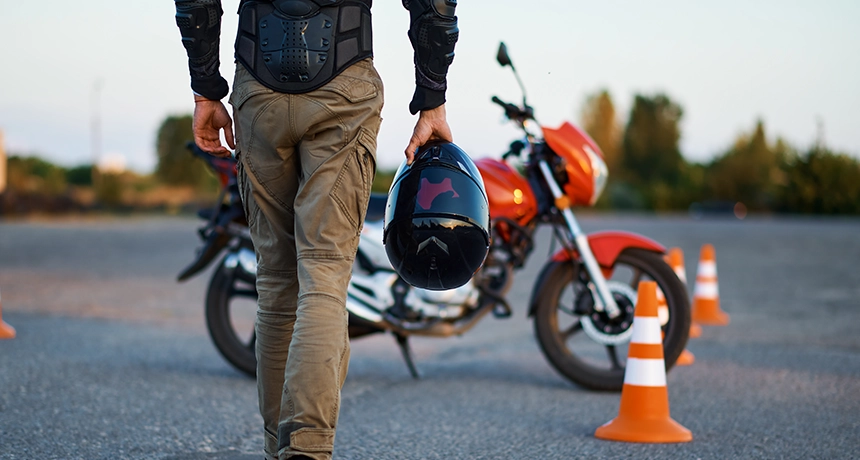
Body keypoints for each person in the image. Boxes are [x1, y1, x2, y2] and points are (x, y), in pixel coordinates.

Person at [174, 0, 459, 458]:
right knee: (324, 274)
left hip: (258, 85)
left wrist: (206, 88)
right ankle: (305, 450)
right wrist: (432, 96)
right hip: (343, 87)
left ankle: (278, 448)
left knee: (276, 280)